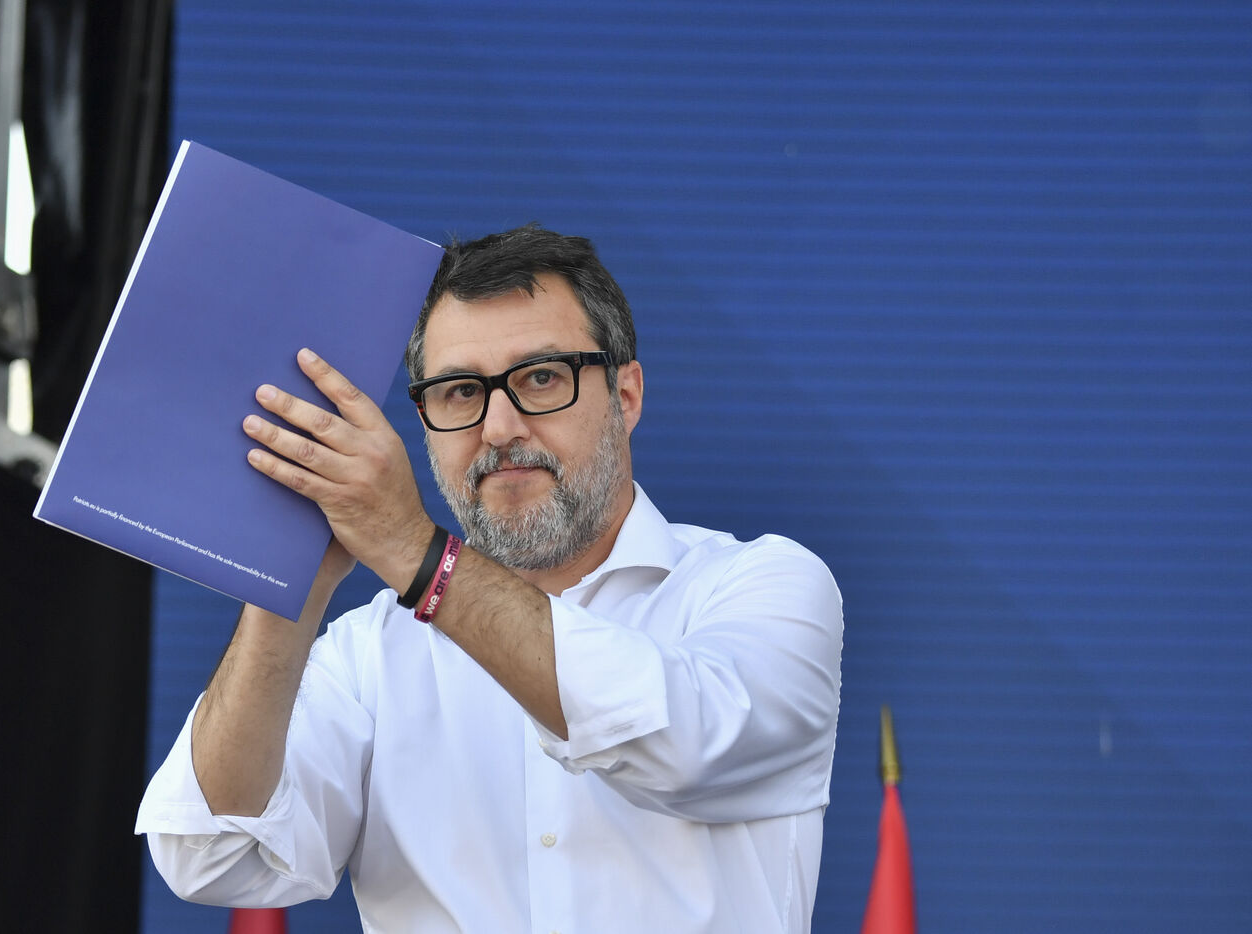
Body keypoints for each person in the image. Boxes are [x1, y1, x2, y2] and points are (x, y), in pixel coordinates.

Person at [136, 225, 844, 932]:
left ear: (624, 395)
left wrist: (417, 554)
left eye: (541, 377)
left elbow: (689, 746)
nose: (499, 427)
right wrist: (291, 575)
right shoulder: (367, 655)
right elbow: (213, 854)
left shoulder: (762, 585)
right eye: (460, 391)